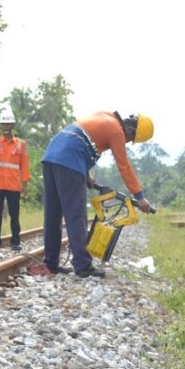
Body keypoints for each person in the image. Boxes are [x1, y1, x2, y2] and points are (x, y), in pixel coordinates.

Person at [41, 112, 154, 278]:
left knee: (53, 214)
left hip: (52, 156)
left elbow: (79, 140)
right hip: (69, 161)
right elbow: (124, 166)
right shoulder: (116, 131)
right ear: (129, 129)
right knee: (76, 216)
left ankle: (50, 264)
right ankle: (83, 266)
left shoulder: (105, 116)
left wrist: (85, 174)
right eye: (130, 139)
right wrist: (140, 196)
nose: (127, 142)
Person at [0, 110, 31, 251]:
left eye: (7, 124)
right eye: (3, 124)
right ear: (0, 126)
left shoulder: (21, 145)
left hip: (13, 185)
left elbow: (25, 166)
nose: (5, 126)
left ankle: (15, 241)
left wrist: (25, 184)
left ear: (12, 125)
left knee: (14, 214)